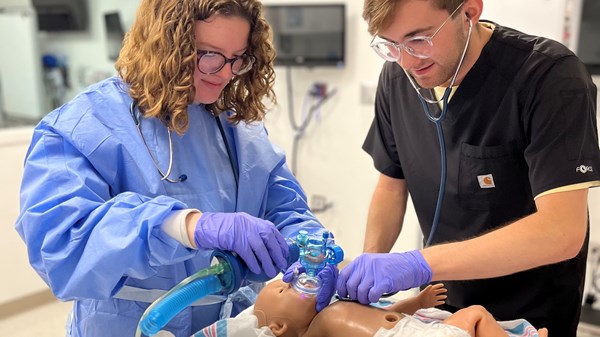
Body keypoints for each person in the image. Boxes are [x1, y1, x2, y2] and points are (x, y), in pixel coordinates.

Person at [14, 0, 334, 336]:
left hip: (232, 324)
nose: (226, 73)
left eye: (238, 58)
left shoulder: (238, 130)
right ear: (166, 46)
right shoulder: (84, 126)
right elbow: (61, 242)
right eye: (209, 55)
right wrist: (185, 226)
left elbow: (285, 208)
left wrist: (309, 247)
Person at [336, 0, 600, 336]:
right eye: (390, 45)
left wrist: (419, 264)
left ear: (469, 11)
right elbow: (391, 184)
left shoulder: (548, 76)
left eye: (419, 39)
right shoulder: (397, 79)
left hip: (529, 316)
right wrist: (370, 270)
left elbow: (562, 232)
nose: (406, 59)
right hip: (440, 308)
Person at [194, 278, 548, 337]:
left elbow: (389, 312)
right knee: (477, 316)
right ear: (280, 329)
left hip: (413, 329)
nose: (296, 281)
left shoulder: (331, 309)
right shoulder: (318, 328)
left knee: (470, 319)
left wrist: (419, 302)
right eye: (287, 289)